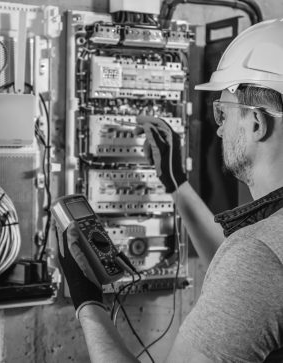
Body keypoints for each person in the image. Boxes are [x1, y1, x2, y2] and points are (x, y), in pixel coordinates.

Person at [58, 18, 283, 362]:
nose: (220, 132)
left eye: (222, 114)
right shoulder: (265, 247)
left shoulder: (256, 257)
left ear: (256, 122)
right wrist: (176, 184)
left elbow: (250, 271)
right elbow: (245, 278)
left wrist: (87, 303)